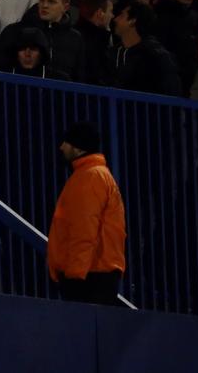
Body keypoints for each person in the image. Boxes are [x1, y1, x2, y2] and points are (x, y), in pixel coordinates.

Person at [47, 121, 127, 306]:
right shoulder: (94, 174)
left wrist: (75, 276)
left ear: (78, 148)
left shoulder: (89, 176)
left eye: (66, 142)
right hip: (93, 274)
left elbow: (84, 229)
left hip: (90, 277)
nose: (61, 147)